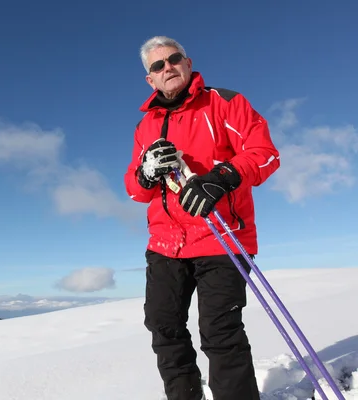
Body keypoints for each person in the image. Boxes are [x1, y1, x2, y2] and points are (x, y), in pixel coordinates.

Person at [124, 36, 281, 400]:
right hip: (165, 245)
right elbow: (135, 190)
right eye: (157, 66)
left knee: (220, 333)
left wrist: (220, 178)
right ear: (150, 80)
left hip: (222, 238)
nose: (168, 68)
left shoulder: (225, 102)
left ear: (188, 62)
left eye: (173, 59)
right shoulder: (145, 127)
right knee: (164, 329)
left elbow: (266, 154)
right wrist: (146, 174)